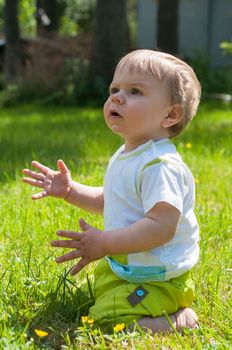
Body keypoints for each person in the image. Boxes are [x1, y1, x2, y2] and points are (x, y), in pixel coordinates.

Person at [23, 49, 201, 333]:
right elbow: (113, 202)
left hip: (159, 278)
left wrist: (104, 243)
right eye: (114, 89)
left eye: (134, 91)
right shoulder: (128, 153)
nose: (117, 97)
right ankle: (133, 295)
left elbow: (160, 227)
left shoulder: (160, 166)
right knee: (101, 296)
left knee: (108, 321)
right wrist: (70, 191)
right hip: (129, 267)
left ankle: (180, 318)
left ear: (170, 114)